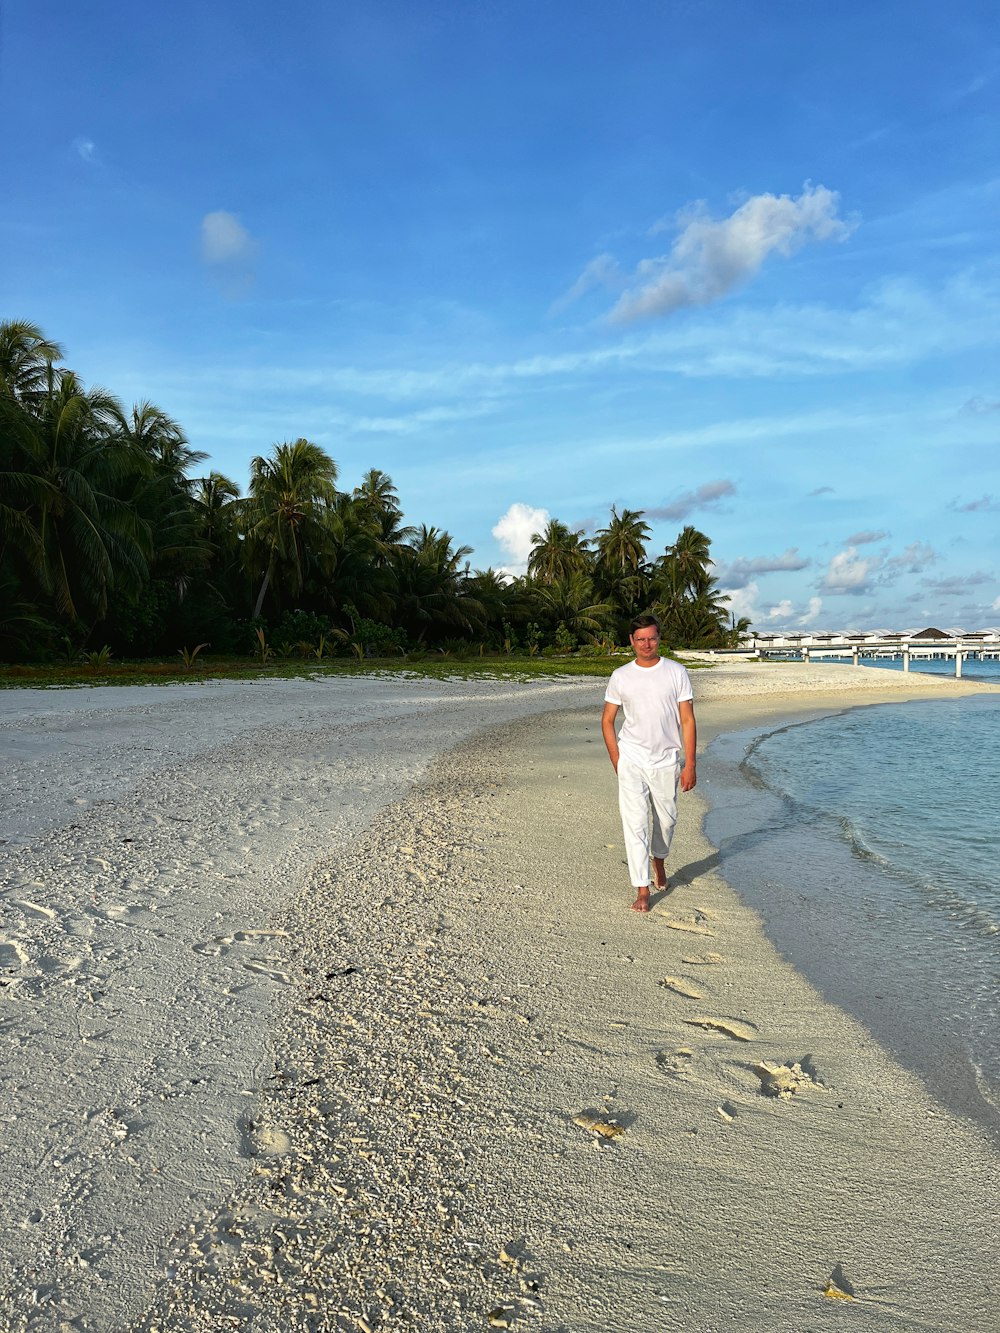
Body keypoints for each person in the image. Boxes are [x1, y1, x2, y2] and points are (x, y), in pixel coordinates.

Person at [601, 615, 697, 912]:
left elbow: (687, 719)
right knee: (635, 824)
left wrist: (690, 764)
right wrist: (618, 760)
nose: (646, 644)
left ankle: (659, 860)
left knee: (666, 822)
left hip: (667, 760)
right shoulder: (621, 675)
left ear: (660, 638)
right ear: (631, 640)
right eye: (640, 639)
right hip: (631, 758)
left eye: (652, 638)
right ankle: (642, 888)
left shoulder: (676, 672)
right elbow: (607, 721)